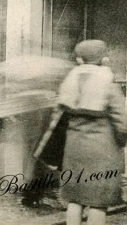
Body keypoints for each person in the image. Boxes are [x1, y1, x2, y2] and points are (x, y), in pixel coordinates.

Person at [57, 40, 127, 225]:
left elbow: (59, 118)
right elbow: (123, 122)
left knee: (75, 199)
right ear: (103, 59)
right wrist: (121, 141)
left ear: (80, 59)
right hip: (102, 151)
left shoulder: (69, 80)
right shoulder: (108, 83)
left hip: (74, 149)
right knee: (98, 202)